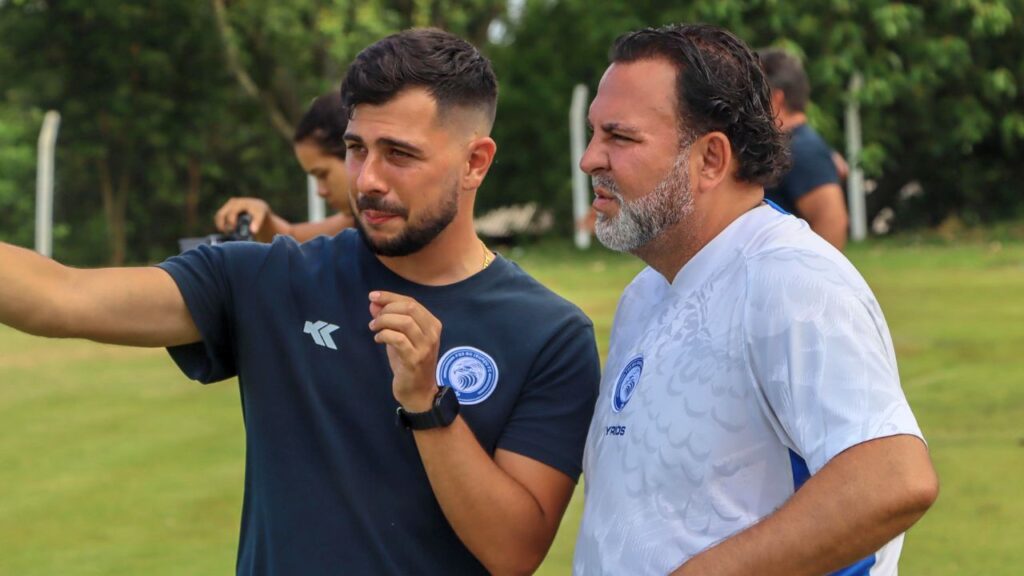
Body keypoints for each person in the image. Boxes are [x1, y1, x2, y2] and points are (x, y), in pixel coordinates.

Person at [0, 28, 599, 575]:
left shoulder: (549, 333)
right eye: (357, 148)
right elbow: (61, 296)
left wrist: (428, 403)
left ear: (475, 162)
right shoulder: (269, 278)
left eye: (400, 154)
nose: (367, 179)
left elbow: (513, 551)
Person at [573, 24, 937, 576]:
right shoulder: (644, 294)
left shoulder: (792, 280)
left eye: (619, 137)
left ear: (711, 160)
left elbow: (892, 479)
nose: (590, 159)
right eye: (594, 133)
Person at [214, 91, 355, 243]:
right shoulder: (358, 220)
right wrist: (263, 218)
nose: (320, 191)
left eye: (323, 174)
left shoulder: (378, 219)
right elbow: (293, 239)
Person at [759, 47, 849, 250]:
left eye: (753, 94)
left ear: (776, 99)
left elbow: (832, 222)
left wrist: (811, 277)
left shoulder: (803, 150)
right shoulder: (791, 147)